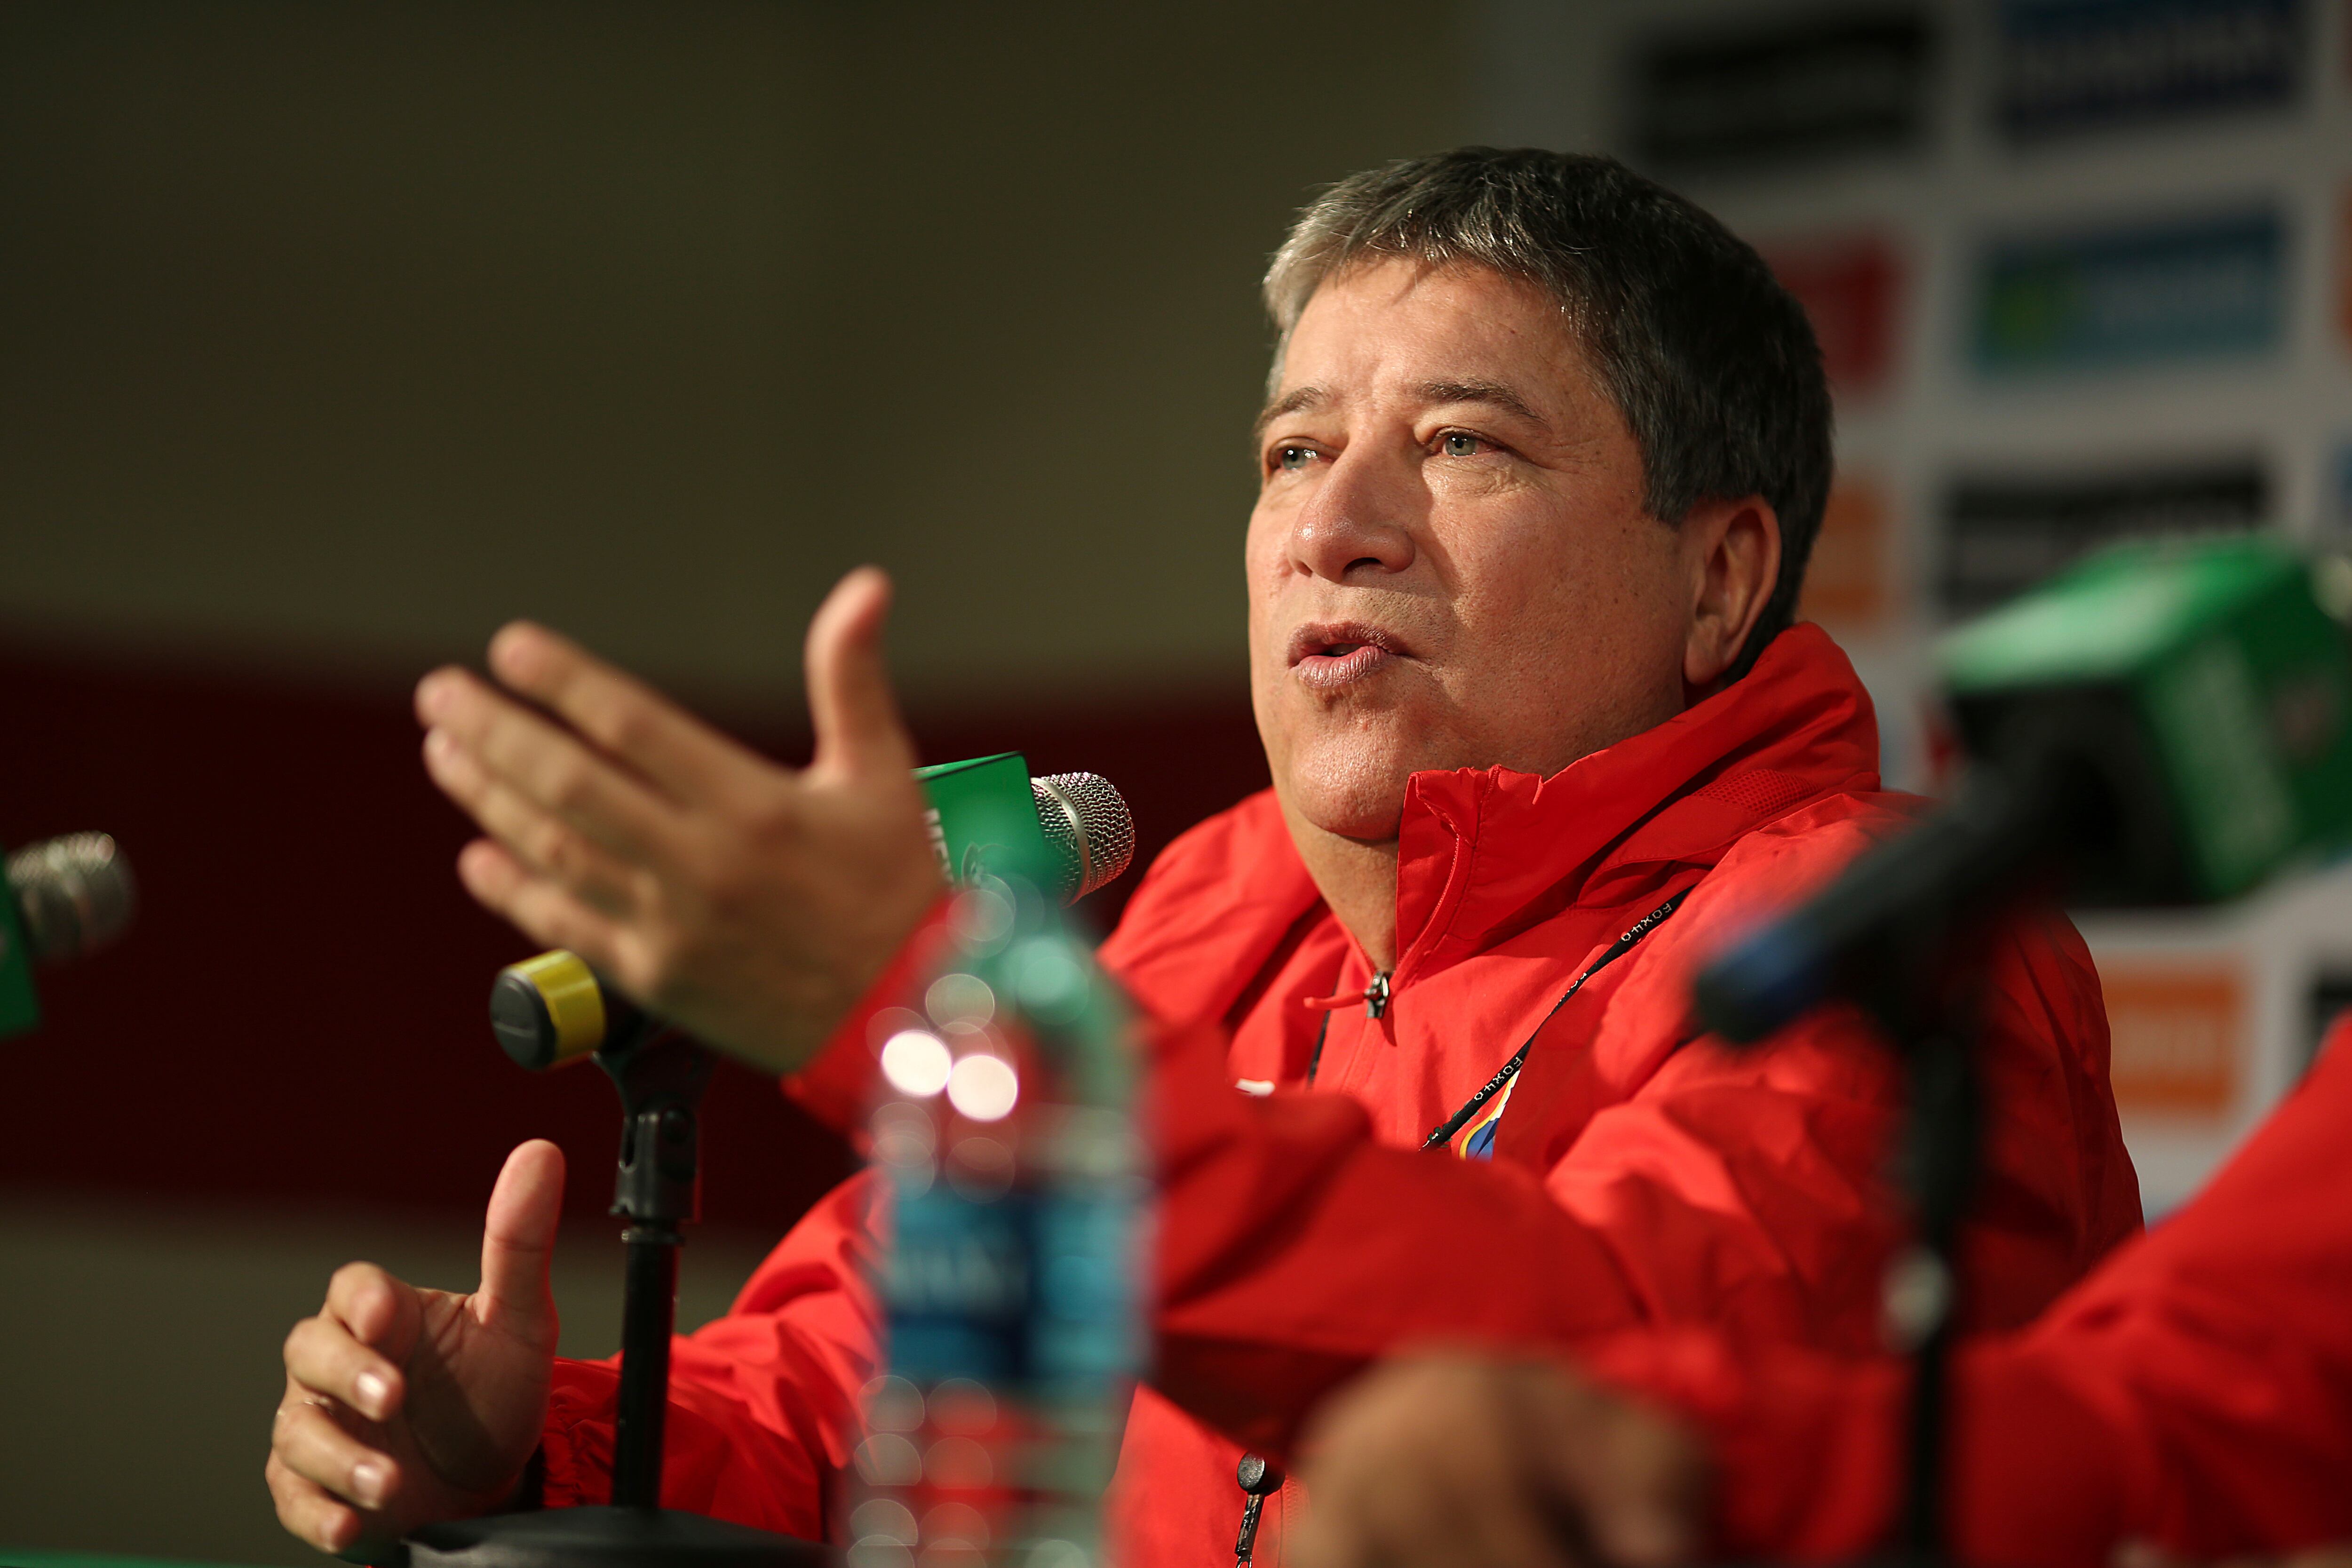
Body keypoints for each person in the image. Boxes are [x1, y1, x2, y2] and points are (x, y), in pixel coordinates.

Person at [266, 149, 2139, 1564]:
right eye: (1287, 451)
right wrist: (536, 1439)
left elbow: (1594, 1377)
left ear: (1717, 575)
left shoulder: (1871, 935)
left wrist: (894, 995)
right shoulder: (1211, 906)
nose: (1332, 523)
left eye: (1461, 445)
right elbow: (873, 1362)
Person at [1287, 1015, 2352, 1568]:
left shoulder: (1851, 926)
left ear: (1717, 587)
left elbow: (2173, 1407)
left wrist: (1709, 1466)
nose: (1330, 574)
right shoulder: (1189, 912)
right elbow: (2178, 1391)